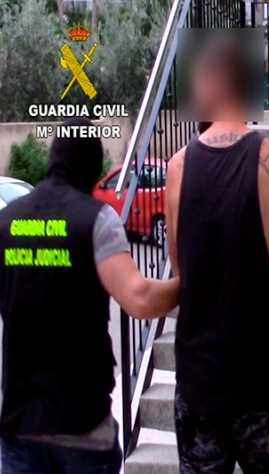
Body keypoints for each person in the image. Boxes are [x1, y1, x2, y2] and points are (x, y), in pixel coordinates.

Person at [0, 117, 181, 474]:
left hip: (19, 427)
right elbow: (140, 299)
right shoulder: (95, 220)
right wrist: (189, 284)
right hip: (81, 428)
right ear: (92, 166)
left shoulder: (7, 221)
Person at [165, 37, 269, 474]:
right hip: (258, 378)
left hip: (199, 380)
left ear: (212, 82)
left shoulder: (178, 167)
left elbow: (180, 268)